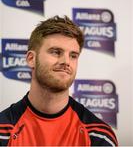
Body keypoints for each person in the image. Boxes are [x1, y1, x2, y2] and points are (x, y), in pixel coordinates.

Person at [0, 16, 118, 146]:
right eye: (56, 52)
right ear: (31, 59)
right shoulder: (3, 131)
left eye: (73, 56)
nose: (66, 62)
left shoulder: (98, 136)